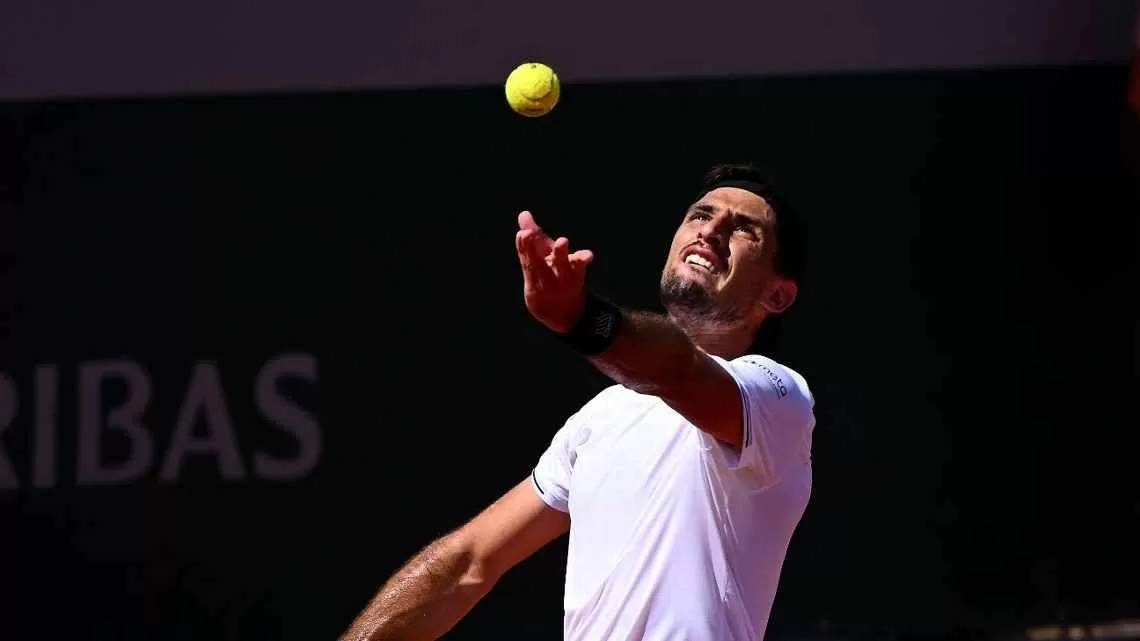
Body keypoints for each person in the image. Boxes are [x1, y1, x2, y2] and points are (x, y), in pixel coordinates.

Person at [342, 164, 816, 641]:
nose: (710, 230)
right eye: (701, 214)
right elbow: (468, 562)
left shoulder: (777, 397)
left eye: (742, 229)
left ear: (777, 295)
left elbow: (678, 370)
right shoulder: (601, 417)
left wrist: (581, 318)